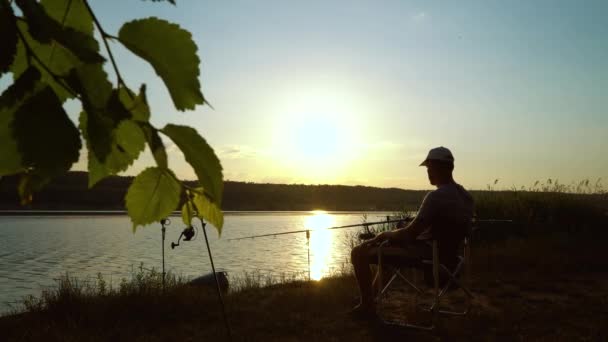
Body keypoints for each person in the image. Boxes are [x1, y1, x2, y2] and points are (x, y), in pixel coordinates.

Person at [350, 146, 474, 318]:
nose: (428, 172)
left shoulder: (435, 197)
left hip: (427, 257)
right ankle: (371, 298)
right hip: (451, 258)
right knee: (387, 249)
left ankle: (367, 305)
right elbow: (446, 228)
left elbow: (409, 235)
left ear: (442, 167)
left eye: (430, 168)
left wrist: (384, 235)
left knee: (359, 252)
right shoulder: (466, 197)